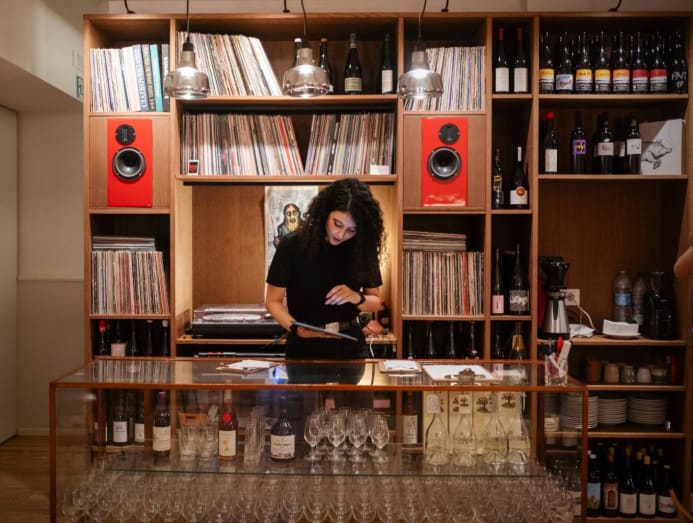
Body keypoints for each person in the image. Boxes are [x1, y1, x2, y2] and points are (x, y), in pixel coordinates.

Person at [265, 178, 385, 359]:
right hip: (303, 343)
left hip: (350, 343)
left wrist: (356, 297)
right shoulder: (292, 245)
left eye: (351, 230)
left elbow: (375, 301)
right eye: (337, 224)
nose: (341, 234)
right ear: (325, 213)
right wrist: (295, 328)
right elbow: (273, 301)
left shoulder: (362, 247)